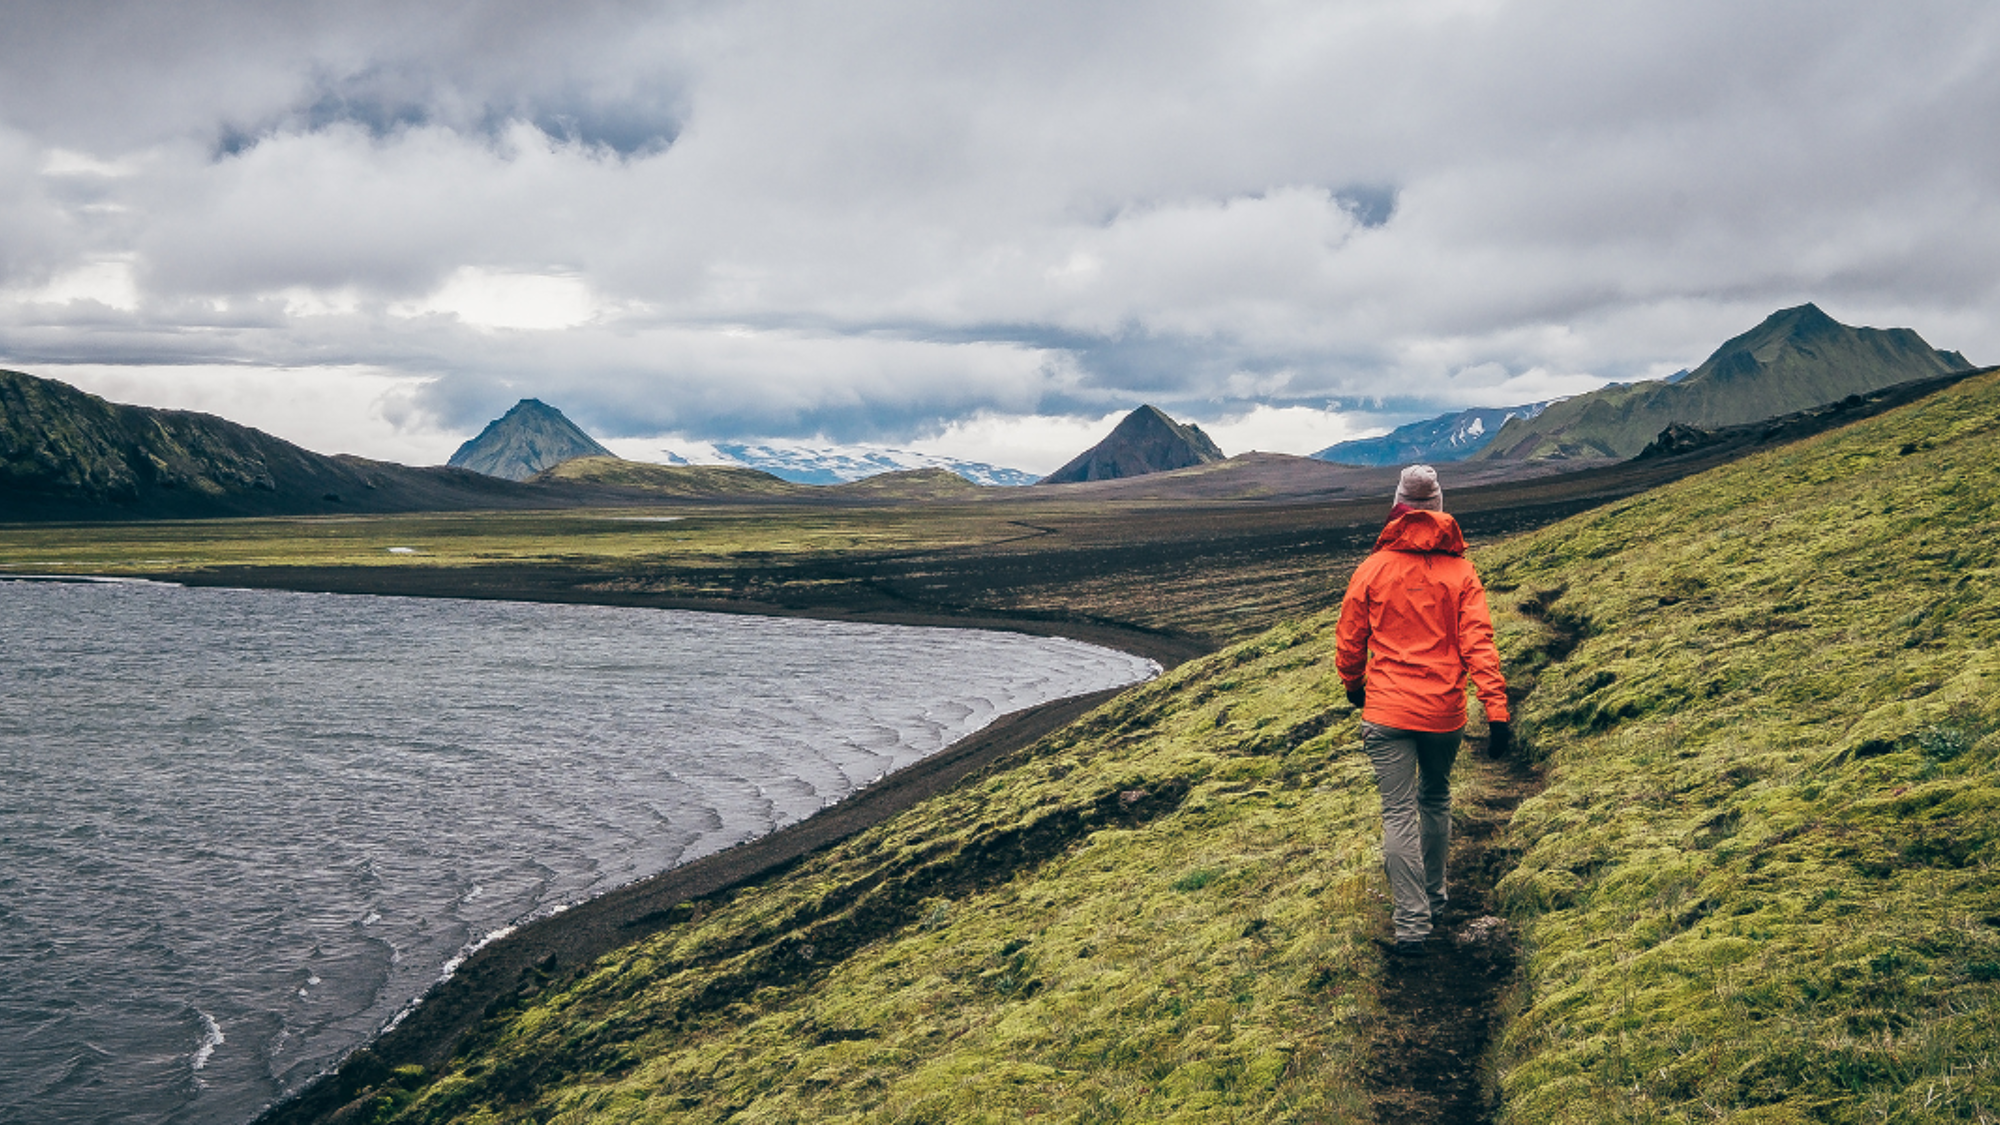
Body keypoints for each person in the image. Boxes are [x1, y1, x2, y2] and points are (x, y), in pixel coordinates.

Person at [1335, 464, 1511, 957]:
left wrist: (1354, 685)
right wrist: (1495, 710)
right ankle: (1433, 900)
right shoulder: (1461, 571)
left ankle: (1411, 927)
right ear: (1438, 507)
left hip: (1387, 710)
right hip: (1443, 713)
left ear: (1398, 507)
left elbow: (1350, 639)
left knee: (1398, 811)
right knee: (1435, 798)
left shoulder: (1373, 568)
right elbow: (1480, 644)